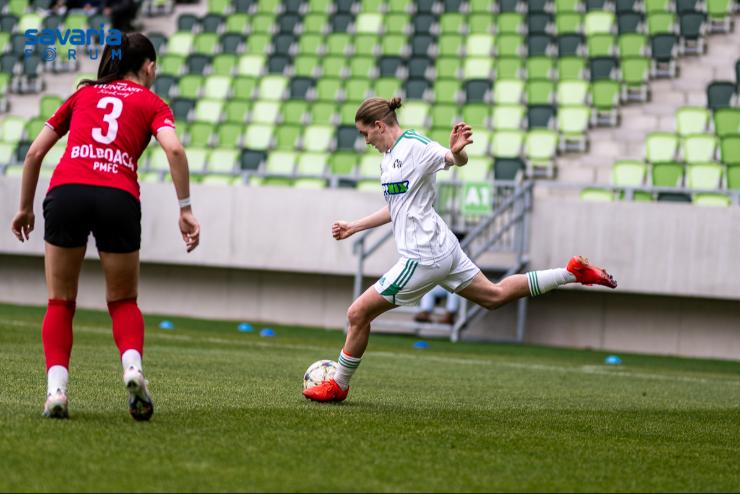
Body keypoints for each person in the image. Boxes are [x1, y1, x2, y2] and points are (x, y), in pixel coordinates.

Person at [303, 97, 617, 403]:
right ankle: (572, 272)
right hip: (443, 247)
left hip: (423, 255)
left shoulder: (415, 146)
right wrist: (354, 226)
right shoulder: (388, 159)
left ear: (379, 125)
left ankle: (338, 385)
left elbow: (453, 159)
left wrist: (457, 152)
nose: (366, 141)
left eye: (365, 133)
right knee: (494, 296)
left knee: (357, 313)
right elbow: (396, 207)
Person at [10, 33, 200, 420]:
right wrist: (185, 209)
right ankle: (133, 369)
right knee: (123, 301)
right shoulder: (152, 102)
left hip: (67, 191)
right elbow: (175, 149)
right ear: (148, 66)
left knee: (60, 301)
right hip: (118, 196)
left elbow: (34, 153)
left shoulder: (83, 95)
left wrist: (25, 208)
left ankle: (57, 393)